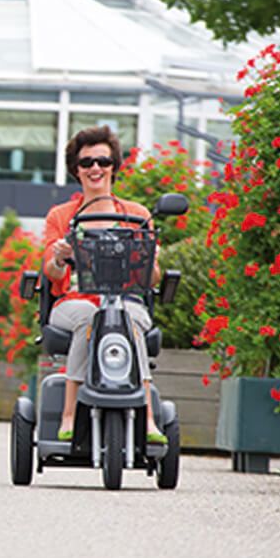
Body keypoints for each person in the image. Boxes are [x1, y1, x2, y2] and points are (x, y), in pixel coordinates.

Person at [42, 125, 166, 444]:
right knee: (90, 317)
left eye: (103, 161)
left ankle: (148, 418)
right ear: (76, 169)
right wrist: (60, 257)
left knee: (128, 318)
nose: (95, 168)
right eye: (87, 162)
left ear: (113, 167)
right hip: (75, 301)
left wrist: (150, 259)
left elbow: (153, 279)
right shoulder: (61, 216)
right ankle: (69, 413)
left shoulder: (136, 215)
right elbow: (51, 273)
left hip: (125, 300)